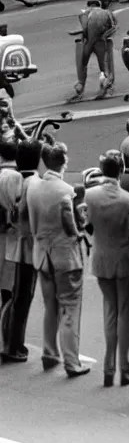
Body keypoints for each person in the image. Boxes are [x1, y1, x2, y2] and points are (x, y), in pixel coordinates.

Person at [26, 142, 90, 377]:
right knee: (70, 308)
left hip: (41, 254)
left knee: (50, 306)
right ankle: (72, 362)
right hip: (65, 256)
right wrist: (80, 230)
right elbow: (71, 226)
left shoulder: (32, 187)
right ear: (63, 163)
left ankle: (49, 353)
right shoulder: (66, 191)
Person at [85, 150, 129, 388]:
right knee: (126, 316)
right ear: (121, 171)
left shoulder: (90, 195)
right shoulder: (128, 199)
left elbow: (87, 225)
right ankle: (126, 369)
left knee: (110, 313)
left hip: (101, 260)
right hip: (124, 261)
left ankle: (108, 369)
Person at [0, 139, 41, 363]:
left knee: (13, 296)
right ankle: (12, 346)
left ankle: (10, 343)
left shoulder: (15, 179)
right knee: (21, 298)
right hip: (28, 248)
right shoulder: (33, 184)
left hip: (12, 245)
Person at [67, 0, 117, 103]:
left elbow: (84, 28)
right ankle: (105, 83)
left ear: (89, 5)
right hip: (102, 41)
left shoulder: (84, 13)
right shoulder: (107, 12)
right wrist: (105, 35)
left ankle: (80, 87)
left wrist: (75, 33)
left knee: (82, 64)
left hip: (88, 42)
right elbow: (114, 26)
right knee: (104, 65)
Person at [0, 136, 23, 363]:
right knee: (8, 292)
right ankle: (6, 343)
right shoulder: (16, 177)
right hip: (9, 238)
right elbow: (16, 209)